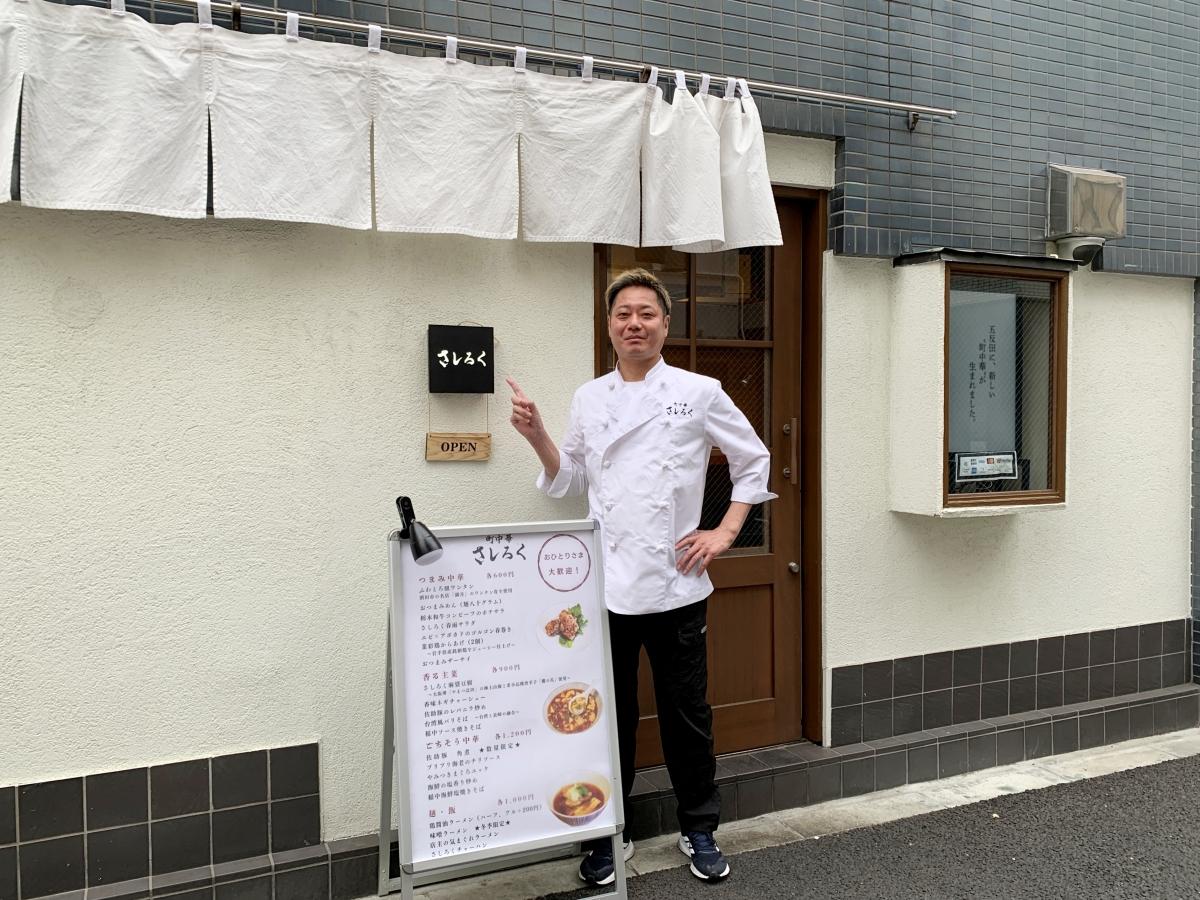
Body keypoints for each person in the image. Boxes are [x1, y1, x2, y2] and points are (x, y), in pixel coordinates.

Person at [507, 268, 775, 885]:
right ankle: (608, 832)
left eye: (646, 313)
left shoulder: (699, 391)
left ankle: (699, 827)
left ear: (665, 324)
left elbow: (752, 458)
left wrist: (725, 531)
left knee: (687, 716)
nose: (635, 323)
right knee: (609, 715)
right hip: (606, 586)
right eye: (623, 313)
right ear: (608, 326)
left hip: (677, 582)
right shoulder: (589, 398)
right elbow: (571, 481)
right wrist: (538, 436)